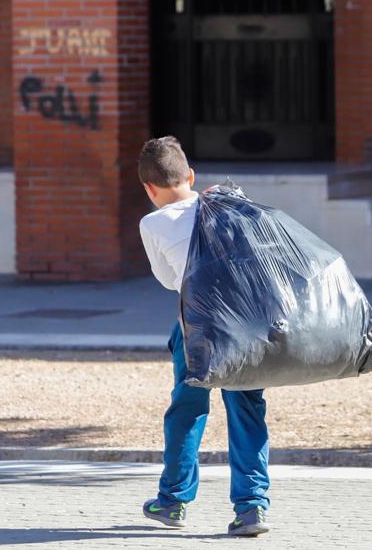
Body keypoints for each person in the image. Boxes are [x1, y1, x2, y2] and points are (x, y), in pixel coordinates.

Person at [136, 136, 271, 538]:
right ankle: (252, 508)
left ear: (149, 189)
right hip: (247, 328)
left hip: (196, 330)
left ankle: (173, 502)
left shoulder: (152, 223)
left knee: (188, 410)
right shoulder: (226, 206)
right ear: (191, 176)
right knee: (247, 412)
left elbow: (166, 281)